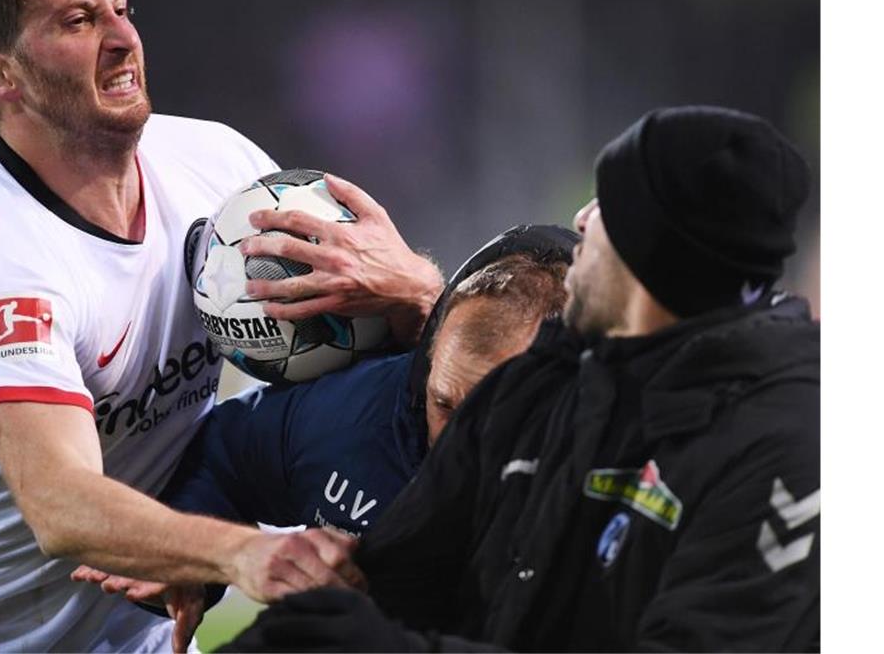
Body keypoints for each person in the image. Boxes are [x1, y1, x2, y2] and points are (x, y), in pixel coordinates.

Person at [0, 0, 442, 653]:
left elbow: (356, 364)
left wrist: (416, 290)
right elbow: (59, 503)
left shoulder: (219, 168)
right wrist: (242, 550)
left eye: (120, 10)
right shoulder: (0, 260)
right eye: (78, 22)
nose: (124, 39)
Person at [225, 105, 820, 652]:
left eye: (608, 207)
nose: (581, 219)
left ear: (652, 254)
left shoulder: (794, 449)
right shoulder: (548, 380)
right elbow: (390, 577)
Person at [71, 225, 576, 609]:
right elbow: (229, 459)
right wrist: (198, 565)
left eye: (499, 418)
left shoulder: (631, 493)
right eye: (445, 404)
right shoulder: (354, 416)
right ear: (429, 365)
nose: (457, 445)